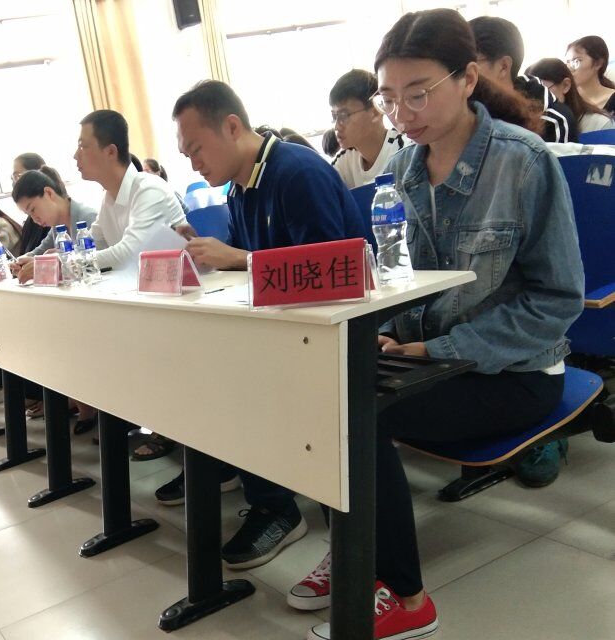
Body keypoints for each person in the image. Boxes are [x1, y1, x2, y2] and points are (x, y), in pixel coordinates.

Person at [297, 10, 583, 640]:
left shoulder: (523, 163)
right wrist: (385, 329)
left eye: (418, 93)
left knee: (357, 418)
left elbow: (557, 300)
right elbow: (405, 281)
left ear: (468, 79)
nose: (402, 113)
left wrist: (437, 347)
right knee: (317, 392)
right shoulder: (404, 169)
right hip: (434, 356)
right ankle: (358, 546)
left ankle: (405, 597)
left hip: (516, 370)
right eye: (389, 98)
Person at [172, 79, 367, 570]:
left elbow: (330, 273)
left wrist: (237, 258)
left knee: (237, 382)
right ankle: (264, 496)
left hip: (336, 333)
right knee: (200, 368)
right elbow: (254, 271)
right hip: (286, 327)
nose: (193, 164)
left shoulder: (297, 172)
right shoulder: (242, 187)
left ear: (231, 126)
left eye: (196, 149)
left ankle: (277, 506)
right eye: (186, 154)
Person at [74, 109, 185, 271]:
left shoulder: (149, 190)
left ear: (111, 152)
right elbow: (90, 245)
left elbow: (130, 254)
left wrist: (69, 263)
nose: (76, 155)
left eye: (82, 146)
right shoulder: (109, 198)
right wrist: (61, 256)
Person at [470, 16, 578, 143]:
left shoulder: (552, 121)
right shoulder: (466, 109)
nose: (463, 72)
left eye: (471, 62)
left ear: (503, 67)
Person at [329, 69, 407, 188]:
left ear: (375, 112)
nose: (336, 126)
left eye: (344, 115)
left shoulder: (404, 150)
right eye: (334, 117)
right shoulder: (343, 161)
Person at [526, 58, 615, 134]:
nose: (535, 100)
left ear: (566, 85)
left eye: (542, 91)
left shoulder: (600, 125)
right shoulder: (530, 128)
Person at [566, 36, 615, 115]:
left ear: (598, 63)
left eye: (576, 61)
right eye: (568, 62)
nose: (570, 68)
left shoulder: (612, 100)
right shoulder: (565, 98)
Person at [11, 152, 49, 255]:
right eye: (13, 178)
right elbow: (27, 254)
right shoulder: (30, 222)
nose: (15, 183)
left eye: (18, 176)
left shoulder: (52, 220)